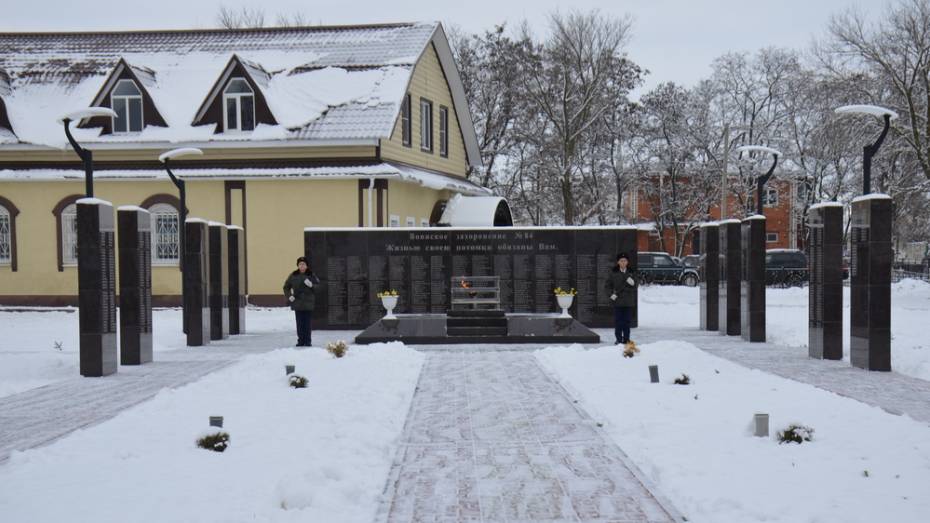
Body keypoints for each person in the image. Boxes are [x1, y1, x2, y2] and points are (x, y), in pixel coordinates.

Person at [283, 256, 321, 347]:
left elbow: (319, 287)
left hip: (308, 302)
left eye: (304, 264)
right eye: (300, 264)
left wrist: (312, 285)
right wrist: (289, 296)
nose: (302, 266)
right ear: (298, 265)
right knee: (299, 323)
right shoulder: (293, 275)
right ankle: (300, 341)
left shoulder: (311, 275)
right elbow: (286, 287)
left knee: (307, 323)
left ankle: (308, 341)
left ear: (307, 266)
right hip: (298, 302)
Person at [605, 252, 637, 345]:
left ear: (627, 262)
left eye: (625, 261)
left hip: (628, 301)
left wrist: (633, 283)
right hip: (618, 301)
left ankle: (626, 339)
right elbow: (607, 286)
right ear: (618, 262)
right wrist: (611, 294)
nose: (623, 262)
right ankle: (618, 339)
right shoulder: (613, 272)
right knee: (618, 321)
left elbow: (636, 286)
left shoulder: (631, 272)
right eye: (621, 261)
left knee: (627, 322)